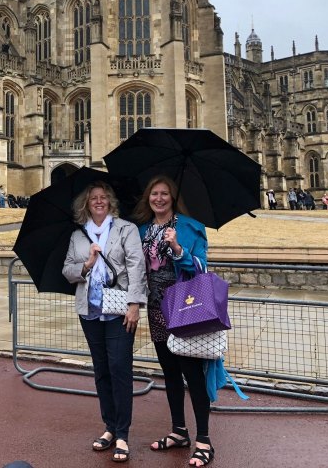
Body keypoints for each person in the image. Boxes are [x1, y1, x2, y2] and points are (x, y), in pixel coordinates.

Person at [133, 175, 215, 467]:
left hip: (184, 308)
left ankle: (204, 439)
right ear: (148, 198)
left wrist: (178, 249)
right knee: (169, 373)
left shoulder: (191, 227)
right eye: (154, 193)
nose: (159, 198)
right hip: (157, 309)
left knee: (193, 375)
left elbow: (202, 267)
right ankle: (179, 431)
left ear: (172, 197)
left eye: (164, 193)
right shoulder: (141, 230)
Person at [62, 181, 147, 463]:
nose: (98, 201)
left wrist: (135, 304)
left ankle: (122, 433)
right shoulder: (78, 235)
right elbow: (67, 270)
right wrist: (86, 264)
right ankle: (109, 427)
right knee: (101, 370)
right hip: (90, 310)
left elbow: (137, 267)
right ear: (85, 205)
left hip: (120, 310)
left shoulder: (126, 229)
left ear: (110, 202)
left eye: (103, 197)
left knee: (119, 368)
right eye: (93, 198)